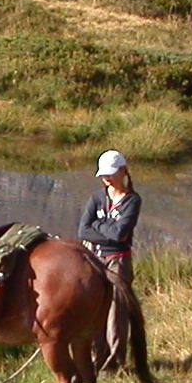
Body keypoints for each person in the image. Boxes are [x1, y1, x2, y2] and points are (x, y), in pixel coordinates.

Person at [77, 149, 141, 362]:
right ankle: (97, 356)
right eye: (103, 174)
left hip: (118, 262)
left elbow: (120, 235)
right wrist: (106, 228)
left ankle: (116, 360)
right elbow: (83, 230)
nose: (106, 178)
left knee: (116, 310)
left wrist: (97, 225)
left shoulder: (132, 200)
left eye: (110, 174)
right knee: (94, 308)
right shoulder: (96, 197)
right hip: (95, 259)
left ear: (123, 171)